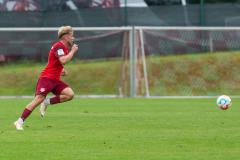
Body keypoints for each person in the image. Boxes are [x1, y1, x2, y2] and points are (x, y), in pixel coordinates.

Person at [14, 26, 78, 130]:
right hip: (47, 78)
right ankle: (19, 121)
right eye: (71, 35)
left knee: (70, 94)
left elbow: (56, 63)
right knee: (38, 99)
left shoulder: (64, 48)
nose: (73, 38)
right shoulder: (59, 46)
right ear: (65, 36)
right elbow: (63, 61)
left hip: (55, 79)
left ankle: (46, 102)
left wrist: (61, 71)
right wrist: (73, 51)